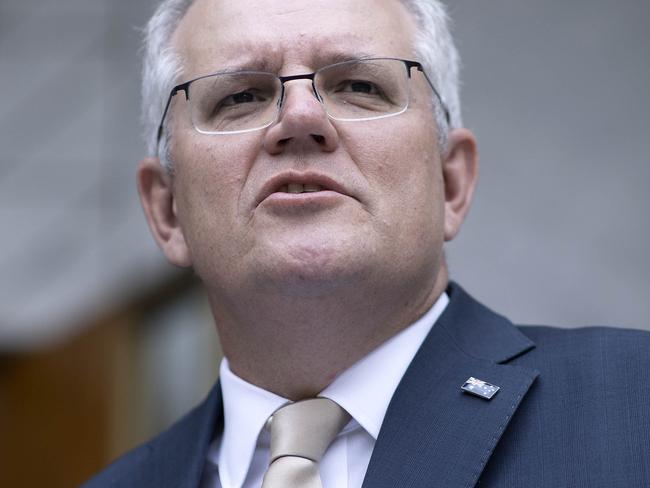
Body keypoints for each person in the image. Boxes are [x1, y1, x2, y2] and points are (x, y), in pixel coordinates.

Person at [84, 0, 650, 486]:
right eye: (239, 97)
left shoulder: (634, 406)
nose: (300, 116)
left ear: (451, 182)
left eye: (359, 85)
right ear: (167, 210)